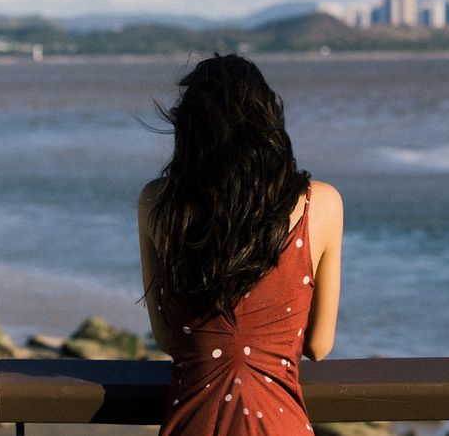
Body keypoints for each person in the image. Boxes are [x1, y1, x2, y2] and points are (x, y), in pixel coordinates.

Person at [138, 55, 343, 435]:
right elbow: (319, 345)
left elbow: (168, 337)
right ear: (269, 125)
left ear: (188, 130)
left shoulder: (158, 204)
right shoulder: (322, 204)